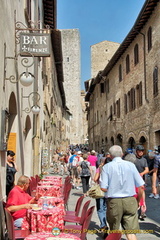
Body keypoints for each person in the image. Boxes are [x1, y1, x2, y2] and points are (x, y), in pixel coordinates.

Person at [100, 145, 144, 240]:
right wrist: (138, 200)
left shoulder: (107, 167)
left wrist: (113, 189)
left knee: (114, 231)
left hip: (114, 201)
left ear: (110, 156)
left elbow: (103, 188)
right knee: (131, 232)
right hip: (130, 199)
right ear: (122, 154)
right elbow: (141, 186)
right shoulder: (131, 165)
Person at [134, 145, 149, 219]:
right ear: (136, 151)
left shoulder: (144, 160)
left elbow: (147, 170)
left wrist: (142, 173)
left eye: (142, 151)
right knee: (135, 196)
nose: (141, 152)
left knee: (142, 195)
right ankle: (134, 211)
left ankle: (142, 212)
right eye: (140, 151)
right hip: (133, 181)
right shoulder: (133, 159)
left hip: (141, 180)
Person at [94, 158, 108, 234]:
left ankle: (103, 225)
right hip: (109, 191)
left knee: (100, 209)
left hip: (101, 190)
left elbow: (95, 178)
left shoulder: (100, 168)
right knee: (105, 208)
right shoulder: (112, 168)